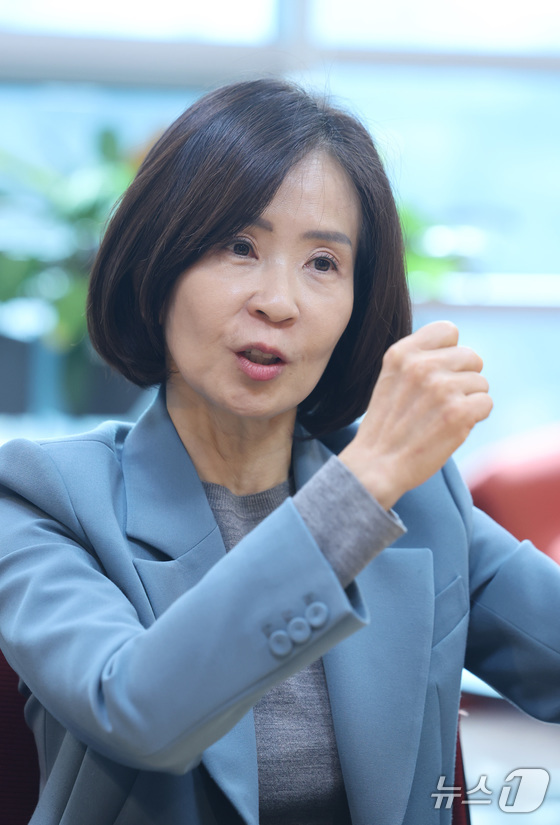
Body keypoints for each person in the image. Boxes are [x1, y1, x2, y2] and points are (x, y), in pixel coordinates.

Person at [0, 77, 558, 825]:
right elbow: (137, 709)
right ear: (158, 267)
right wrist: (360, 488)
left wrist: (377, 481)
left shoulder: (421, 497)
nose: (279, 300)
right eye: (239, 246)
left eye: (323, 263)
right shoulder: (45, 496)